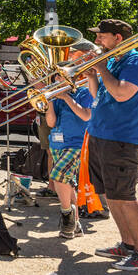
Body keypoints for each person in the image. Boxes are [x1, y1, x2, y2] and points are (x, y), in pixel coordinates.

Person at [84, 19, 138, 272]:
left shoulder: (136, 62)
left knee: (125, 196)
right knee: (111, 194)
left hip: (121, 138)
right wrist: (91, 75)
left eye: (101, 36)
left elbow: (121, 93)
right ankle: (128, 244)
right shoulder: (114, 62)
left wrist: (102, 68)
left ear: (117, 38)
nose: (97, 41)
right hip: (101, 133)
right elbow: (100, 96)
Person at [44, 59, 95, 238]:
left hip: (76, 144)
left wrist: (66, 97)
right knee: (66, 183)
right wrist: (49, 100)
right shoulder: (56, 96)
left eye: (61, 75)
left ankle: (66, 216)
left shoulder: (83, 92)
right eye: (56, 75)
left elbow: (86, 115)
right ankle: (76, 225)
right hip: (57, 143)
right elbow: (51, 123)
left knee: (57, 176)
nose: (57, 78)